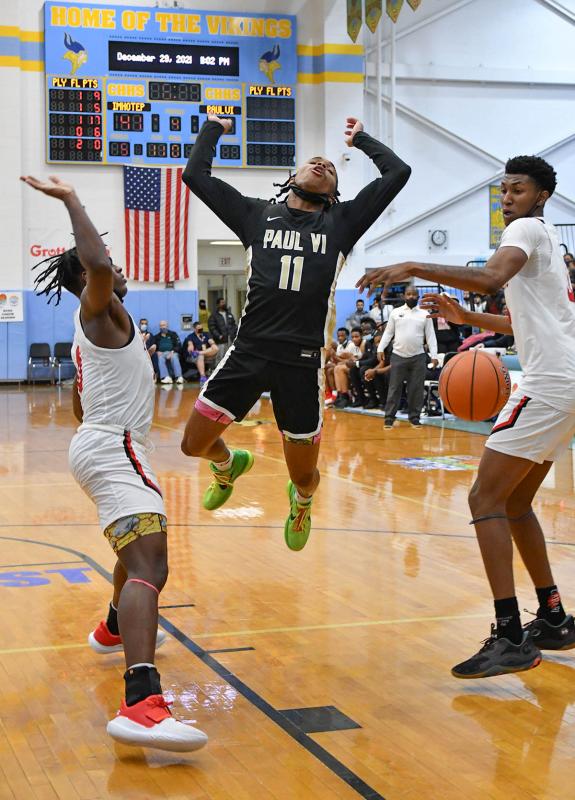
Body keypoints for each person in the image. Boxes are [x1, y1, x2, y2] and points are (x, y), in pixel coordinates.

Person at [358, 154, 575, 678]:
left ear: (541, 196)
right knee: (516, 501)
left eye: (517, 190)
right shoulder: (546, 243)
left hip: (549, 386)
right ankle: (552, 618)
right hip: (566, 382)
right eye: (503, 191)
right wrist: (466, 317)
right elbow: (518, 318)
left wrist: (411, 265)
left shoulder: (525, 231)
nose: (507, 199)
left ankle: (509, 636)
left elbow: (491, 277)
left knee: (484, 497)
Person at [21, 174, 207, 751]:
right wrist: (72, 200)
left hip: (107, 443)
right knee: (151, 563)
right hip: (114, 445)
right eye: (108, 265)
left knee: (138, 543)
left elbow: (80, 403)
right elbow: (99, 267)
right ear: (86, 274)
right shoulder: (100, 306)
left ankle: (111, 629)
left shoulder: (92, 330)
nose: (119, 269)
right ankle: (142, 704)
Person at [181, 113, 411, 551]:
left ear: (335, 191)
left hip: (301, 360)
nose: (322, 162)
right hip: (248, 350)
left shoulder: (341, 223)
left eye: (330, 166)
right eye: (313, 161)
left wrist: (360, 139)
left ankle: (302, 501)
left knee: (303, 475)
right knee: (193, 445)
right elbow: (195, 173)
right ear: (291, 178)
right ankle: (229, 465)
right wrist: (214, 127)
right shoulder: (255, 214)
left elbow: (398, 172)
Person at [376, 286, 438, 429]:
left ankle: (414, 418)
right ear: (404, 296)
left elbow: (430, 336)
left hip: (418, 356)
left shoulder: (424, 314)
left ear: (418, 296)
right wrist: (380, 348)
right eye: (408, 294)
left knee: (416, 388)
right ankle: (389, 418)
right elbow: (388, 333)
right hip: (398, 356)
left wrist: (434, 356)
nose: (411, 296)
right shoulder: (396, 313)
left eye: (414, 294)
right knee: (394, 388)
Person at [333, 327, 364, 408]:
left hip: (356, 366)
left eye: (342, 336)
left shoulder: (352, 345)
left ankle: (345, 396)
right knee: (336, 368)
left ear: (347, 336)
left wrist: (346, 358)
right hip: (350, 365)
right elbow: (342, 360)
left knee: (339, 368)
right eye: (338, 336)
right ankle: (340, 394)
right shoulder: (339, 346)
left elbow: (355, 360)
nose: (340, 338)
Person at [208, 297, 237, 364]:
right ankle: (218, 372)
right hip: (220, 340)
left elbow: (234, 325)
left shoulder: (229, 314)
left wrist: (234, 334)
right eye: (222, 302)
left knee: (230, 356)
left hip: (230, 339)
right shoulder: (214, 316)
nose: (224, 304)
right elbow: (212, 328)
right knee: (220, 357)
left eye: (224, 302)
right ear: (218, 304)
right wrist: (219, 336)